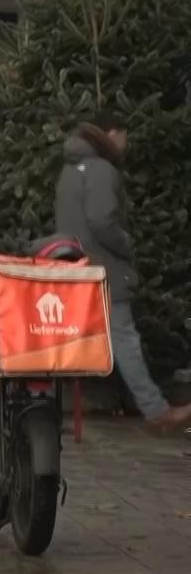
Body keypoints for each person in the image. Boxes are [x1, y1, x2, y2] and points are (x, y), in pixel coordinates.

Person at [54, 115, 191, 431]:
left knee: (66, 343)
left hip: (75, 268)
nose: (126, 144)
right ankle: (156, 411)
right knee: (125, 339)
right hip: (104, 270)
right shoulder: (102, 170)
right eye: (124, 136)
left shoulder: (69, 170)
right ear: (112, 134)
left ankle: (47, 408)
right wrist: (127, 245)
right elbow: (103, 221)